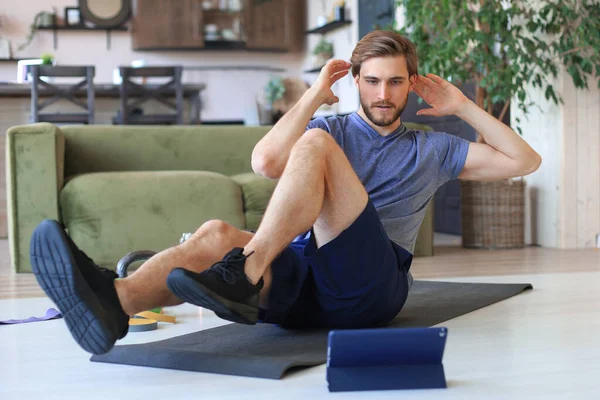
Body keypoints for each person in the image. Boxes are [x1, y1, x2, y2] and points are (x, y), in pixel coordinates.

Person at [30, 30, 541, 356]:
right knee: (213, 235)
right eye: (371, 82)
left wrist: (460, 105)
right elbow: (265, 162)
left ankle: (246, 272)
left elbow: (524, 161)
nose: (383, 94)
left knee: (313, 146)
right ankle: (113, 304)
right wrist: (316, 94)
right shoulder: (331, 125)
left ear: (412, 86)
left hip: (372, 285)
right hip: (310, 281)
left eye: (395, 83)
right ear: (355, 83)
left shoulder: (430, 149)